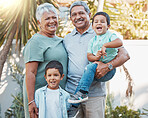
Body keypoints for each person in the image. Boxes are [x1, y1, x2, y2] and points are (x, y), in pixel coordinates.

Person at [63, 1, 130, 118]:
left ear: (89, 15)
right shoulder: (67, 39)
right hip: (71, 95)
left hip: (95, 94)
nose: (78, 17)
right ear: (71, 18)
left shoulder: (101, 32)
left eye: (81, 13)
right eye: (74, 14)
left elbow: (125, 55)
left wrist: (108, 66)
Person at [23, 3, 68, 118]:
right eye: (47, 18)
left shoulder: (60, 40)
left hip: (57, 98)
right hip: (40, 99)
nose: (52, 21)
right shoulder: (36, 41)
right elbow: (30, 72)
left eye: (54, 17)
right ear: (39, 22)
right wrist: (31, 101)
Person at [68, 11, 123, 104]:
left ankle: (82, 93)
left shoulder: (110, 36)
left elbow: (119, 42)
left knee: (88, 70)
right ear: (93, 26)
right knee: (84, 77)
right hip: (94, 70)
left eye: (102, 21)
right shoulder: (92, 40)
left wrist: (105, 45)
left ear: (108, 26)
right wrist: (96, 57)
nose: (99, 23)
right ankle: (76, 101)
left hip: (108, 71)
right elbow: (89, 56)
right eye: (96, 22)